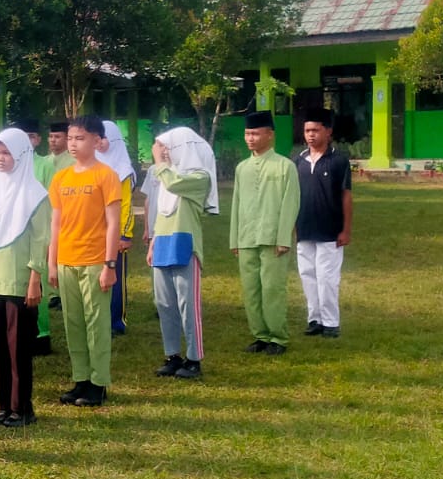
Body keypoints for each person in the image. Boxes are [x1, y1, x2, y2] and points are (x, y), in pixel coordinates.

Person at [0, 128, 49, 427]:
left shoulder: (35, 194)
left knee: (19, 348)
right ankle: (4, 405)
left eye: (7, 153)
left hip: (19, 280)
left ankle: (22, 408)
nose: (1, 159)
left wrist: (35, 278)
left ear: (21, 155)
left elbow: (41, 238)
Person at [48, 116, 123, 407]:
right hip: (67, 260)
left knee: (97, 325)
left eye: (79, 138)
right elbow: (56, 223)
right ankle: (80, 379)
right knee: (73, 324)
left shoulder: (106, 175)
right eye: (70, 138)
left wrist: (109, 264)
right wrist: (53, 262)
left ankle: (98, 382)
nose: (73, 144)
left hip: (95, 262)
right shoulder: (61, 178)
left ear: (96, 140)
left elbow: (113, 223)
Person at [148, 126, 218, 379]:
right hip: (164, 242)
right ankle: (172, 355)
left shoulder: (199, 177)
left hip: (185, 244)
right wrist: (153, 241)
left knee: (188, 305)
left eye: (167, 146)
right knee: (165, 304)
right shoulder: (166, 173)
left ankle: (194, 358)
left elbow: (173, 183)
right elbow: (159, 209)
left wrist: (159, 162)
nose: (163, 151)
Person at [230, 110, 301, 355]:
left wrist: (284, 238)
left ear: (269, 135)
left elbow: (291, 204)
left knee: (272, 288)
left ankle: (278, 337)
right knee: (251, 289)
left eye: (255, 133)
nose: (250, 138)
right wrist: (235, 239)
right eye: (247, 134)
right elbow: (236, 204)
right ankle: (259, 335)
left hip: (273, 238)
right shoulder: (242, 168)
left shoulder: (285, 166)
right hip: (247, 236)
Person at [294, 107, 353, 339]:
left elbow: (346, 196)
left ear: (328, 131)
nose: (310, 135)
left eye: (315, 130)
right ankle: (315, 319)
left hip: (330, 230)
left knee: (327, 277)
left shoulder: (338, 161)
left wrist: (346, 229)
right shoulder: (298, 161)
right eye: (307, 130)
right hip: (305, 229)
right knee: (308, 275)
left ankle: (331, 322)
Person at [14, 116, 53, 354]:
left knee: (39, 283)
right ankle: (25, 331)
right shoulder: (14, 165)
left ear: (37, 140)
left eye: (30, 137)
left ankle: (43, 333)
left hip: (40, 228)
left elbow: (51, 200)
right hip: (18, 233)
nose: (26, 142)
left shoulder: (45, 165)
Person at [99, 120, 137, 336]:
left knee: (115, 277)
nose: (100, 143)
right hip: (96, 231)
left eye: (103, 138)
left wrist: (125, 234)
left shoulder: (122, 169)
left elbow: (126, 205)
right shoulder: (93, 164)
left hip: (117, 233)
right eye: (97, 138)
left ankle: (117, 321)